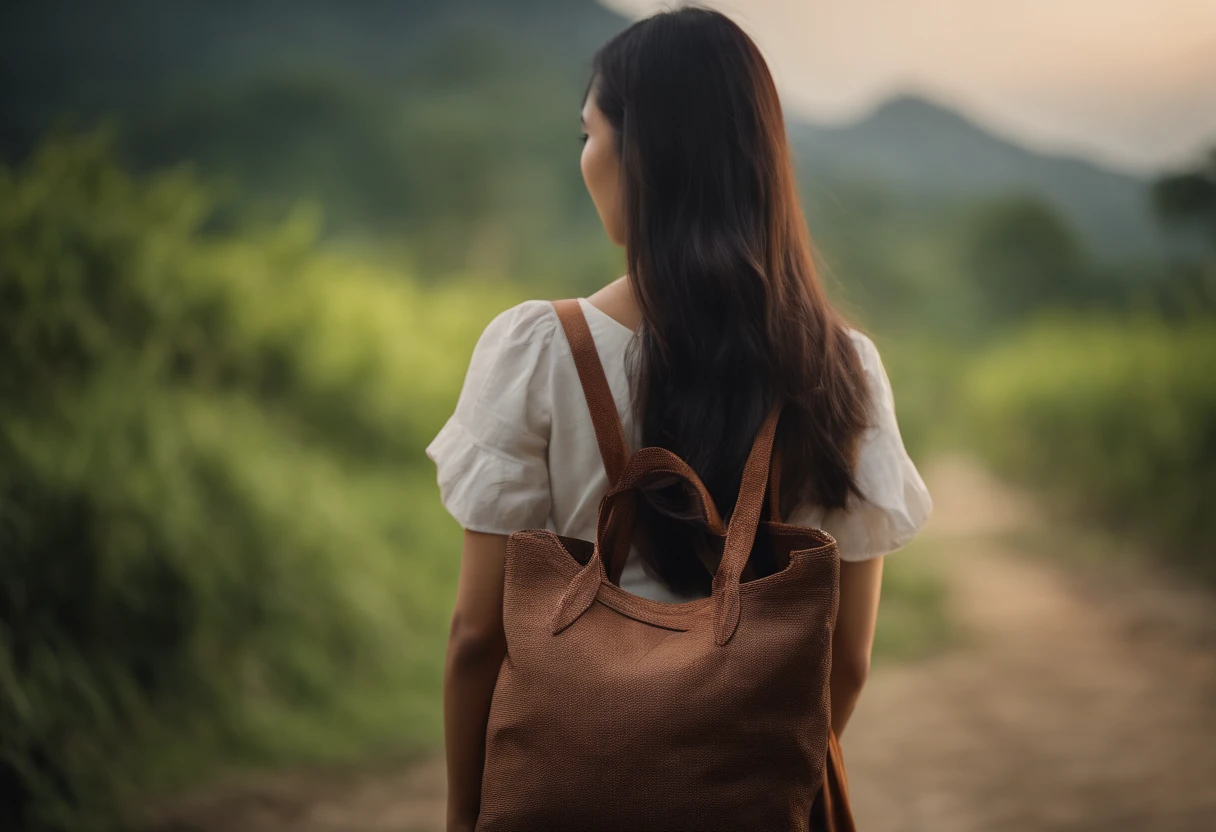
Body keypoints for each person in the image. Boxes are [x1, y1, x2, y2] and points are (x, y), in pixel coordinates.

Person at [425, 6, 932, 830]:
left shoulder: (539, 350)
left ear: (640, 152)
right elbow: (847, 657)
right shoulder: (843, 370)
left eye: (588, 133)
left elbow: (477, 637)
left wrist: (462, 819)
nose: (585, 157)